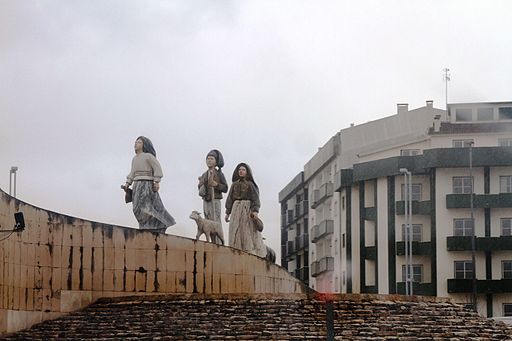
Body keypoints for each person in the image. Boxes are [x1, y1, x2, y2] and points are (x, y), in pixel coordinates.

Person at [122, 136, 175, 232]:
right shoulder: (134, 159)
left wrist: (157, 181)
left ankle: (157, 224)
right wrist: (127, 183)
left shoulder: (148, 156)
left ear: (144, 145)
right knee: (136, 208)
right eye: (135, 142)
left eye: (138, 142)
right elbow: (132, 172)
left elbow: (157, 168)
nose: (135, 144)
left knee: (146, 207)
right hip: (137, 185)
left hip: (146, 184)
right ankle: (145, 225)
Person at [225, 163, 266, 258]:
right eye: (239, 169)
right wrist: (228, 212)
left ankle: (248, 250)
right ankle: (235, 249)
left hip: (246, 209)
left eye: (243, 169)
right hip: (235, 209)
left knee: (246, 230)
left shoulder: (250, 184)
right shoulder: (234, 184)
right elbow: (230, 198)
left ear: (247, 172)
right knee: (235, 230)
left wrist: (255, 211)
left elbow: (255, 198)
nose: (241, 171)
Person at [197, 149, 228, 244]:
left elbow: (225, 188)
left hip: (215, 200)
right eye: (208, 159)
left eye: (212, 159)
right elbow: (200, 189)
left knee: (215, 221)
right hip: (206, 200)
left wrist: (216, 185)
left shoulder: (219, 174)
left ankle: (218, 242)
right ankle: (211, 241)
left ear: (216, 161)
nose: (209, 161)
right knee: (207, 222)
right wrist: (202, 184)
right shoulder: (204, 174)